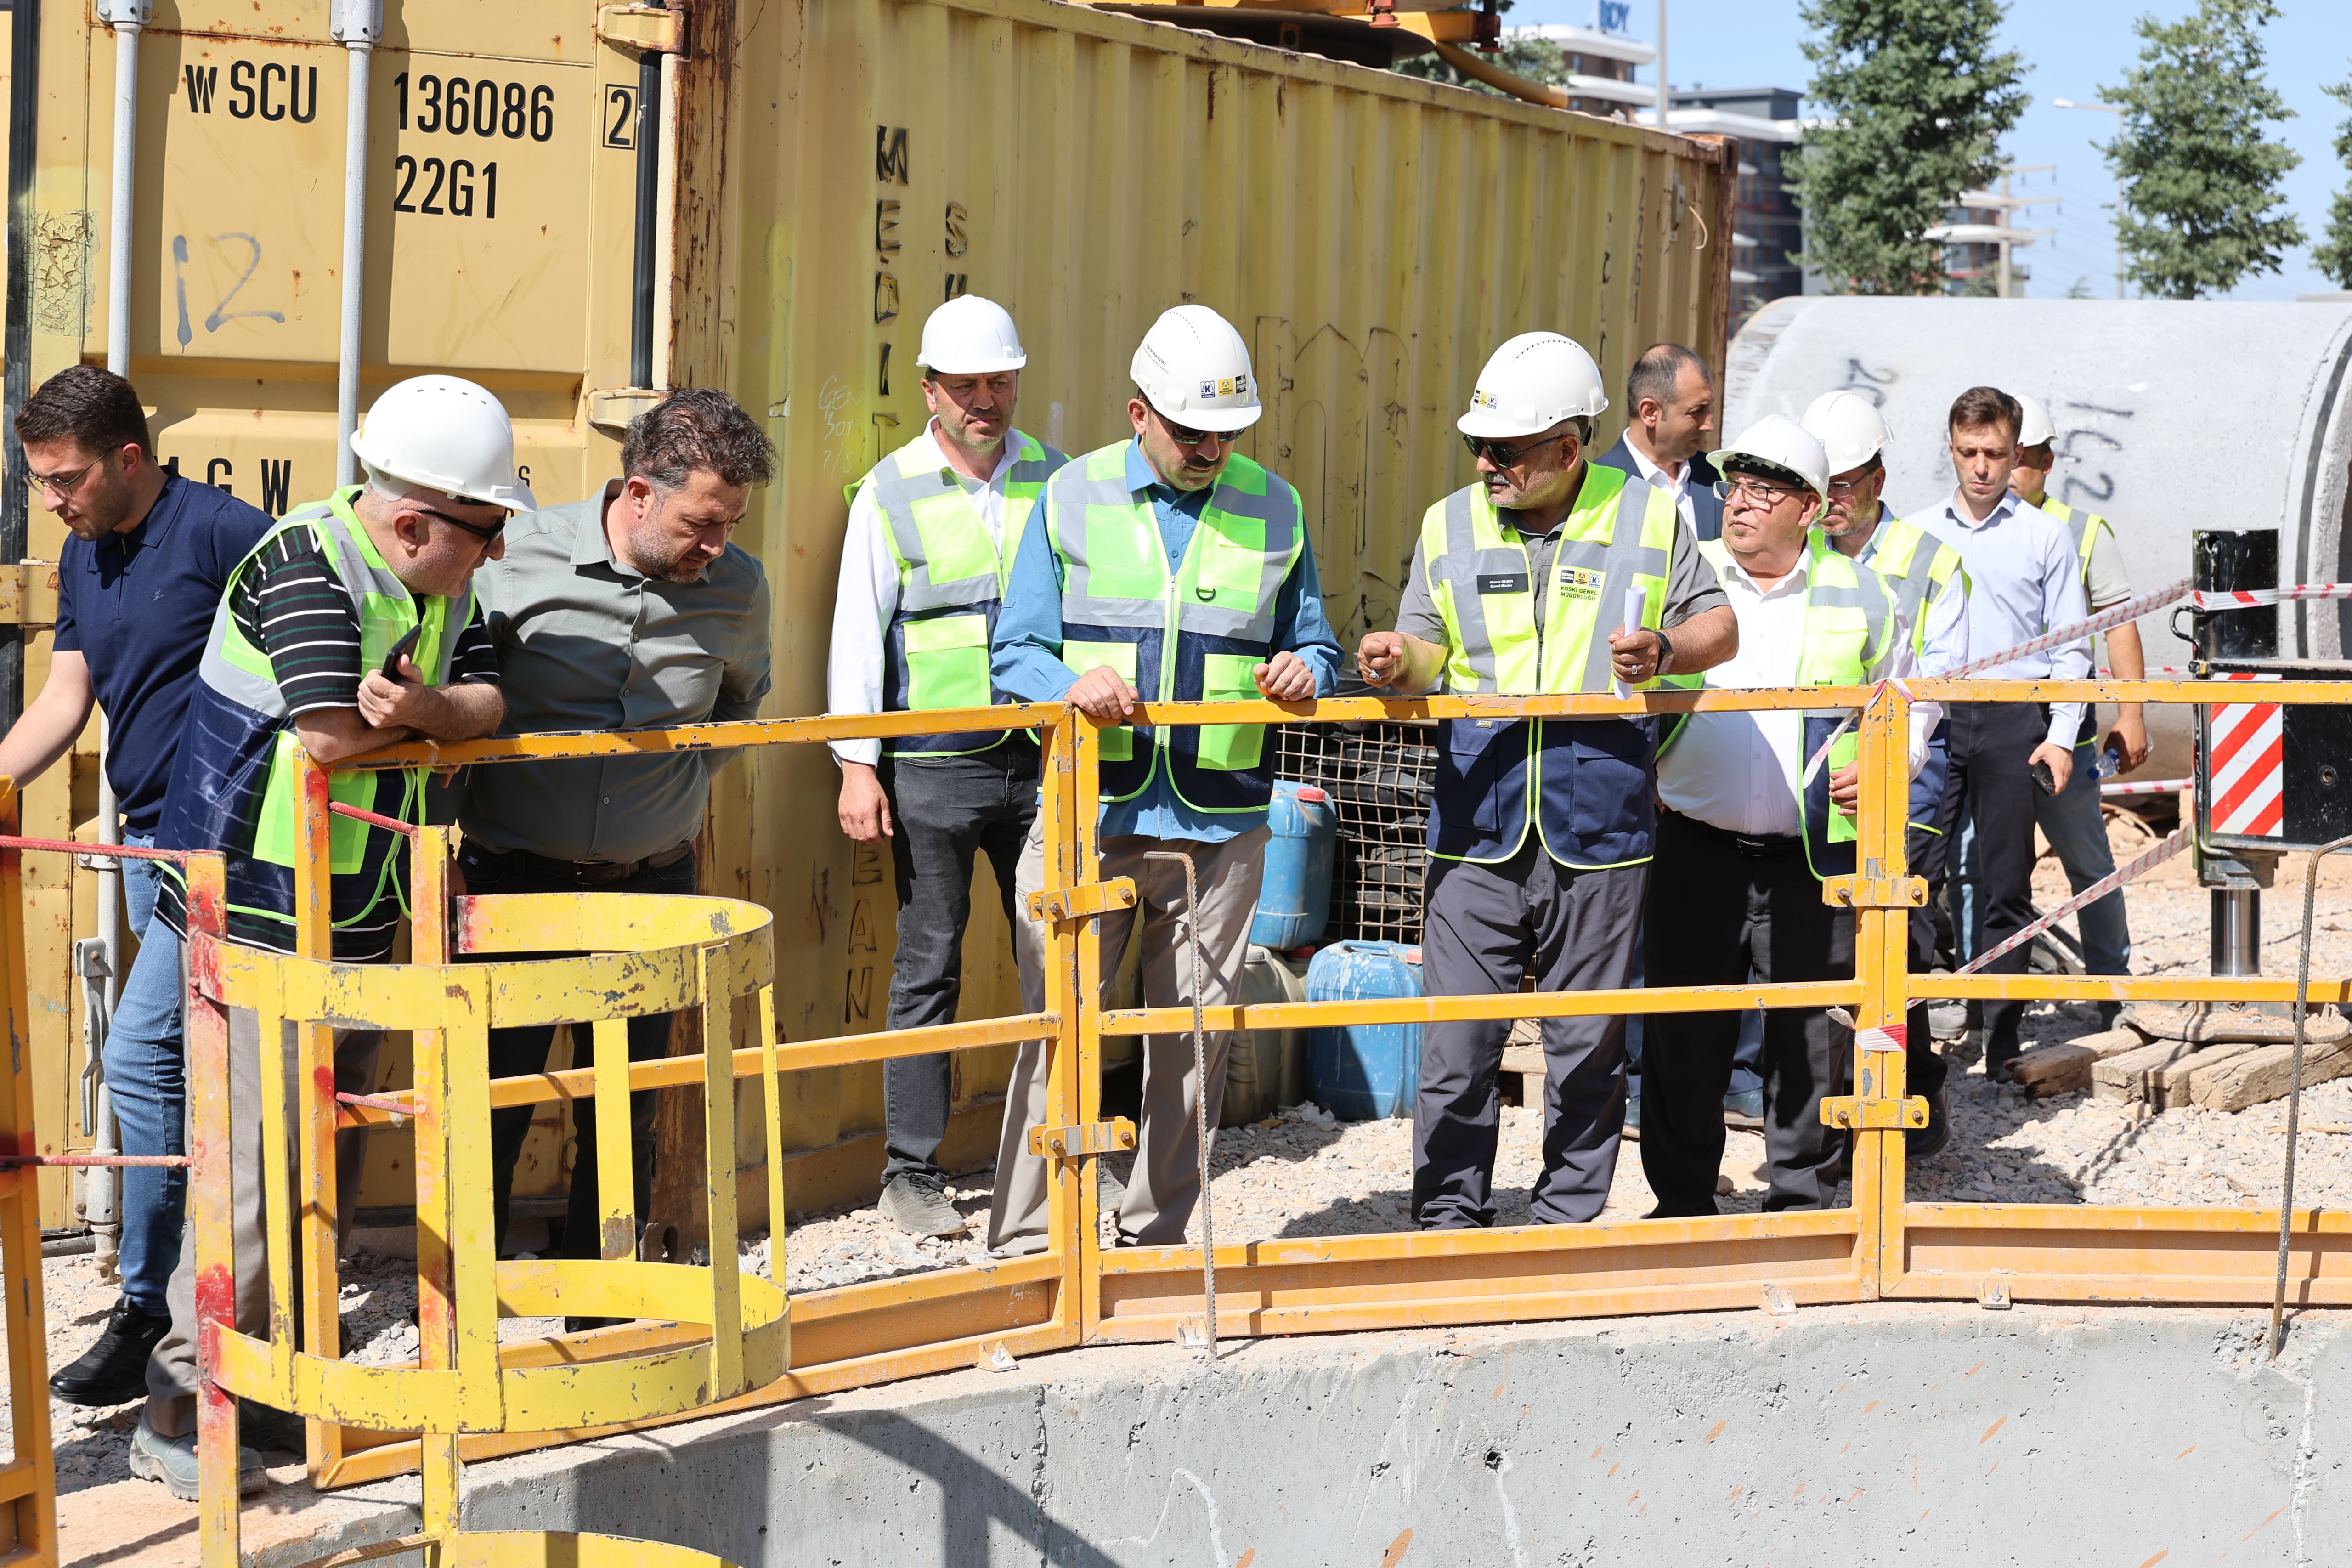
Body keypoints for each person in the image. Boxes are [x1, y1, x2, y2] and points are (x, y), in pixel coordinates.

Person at [135, 374, 520, 1497]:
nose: (494, 554)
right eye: (484, 532)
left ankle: (276, 1373)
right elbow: (330, 735)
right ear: (413, 522)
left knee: (315, 1154)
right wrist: (426, 724)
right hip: (256, 913)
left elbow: (491, 703)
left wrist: (428, 713)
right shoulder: (304, 565)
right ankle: (181, 1402)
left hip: (355, 909)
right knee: (253, 1174)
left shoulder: (435, 578)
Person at [1356, 331, 1736, 1230]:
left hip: (1598, 816)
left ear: (1568, 449)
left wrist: (1665, 648)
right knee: (1456, 1040)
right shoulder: (1449, 522)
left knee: (1586, 1040)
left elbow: (1718, 628)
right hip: (1475, 817)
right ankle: (1449, 1215)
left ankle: (1565, 1216)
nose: (1485, 464)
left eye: (1506, 449)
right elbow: (1427, 648)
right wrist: (1395, 658)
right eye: (1478, 446)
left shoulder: (1645, 517)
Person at [988, 304, 1342, 1254]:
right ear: (1138, 412)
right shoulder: (1070, 496)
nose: (1210, 451)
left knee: (1193, 1041)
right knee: (1058, 1030)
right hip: (1088, 814)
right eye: (1191, 432)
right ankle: (1029, 1239)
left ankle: (1156, 1234)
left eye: (1227, 434)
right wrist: (1070, 684)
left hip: (1221, 824)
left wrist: (1305, 669)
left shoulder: (1277, 505)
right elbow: (1015, 652)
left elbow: (1316, 641)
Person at [0, 368, 273, 1408]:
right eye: (38, 480)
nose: (51, 501)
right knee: (182, 1073)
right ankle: (195, 1290)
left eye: (65, 478)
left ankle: (158, 1303)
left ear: (128, 459)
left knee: (142, 1054)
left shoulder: (225, 533)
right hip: (151, 844)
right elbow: (65, 697)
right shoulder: (85, 550)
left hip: (227, 854)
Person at [464, 388, 774, 1279]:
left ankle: (600, 1296)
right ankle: (467, 1301)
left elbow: (740, 706)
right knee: (490, 1098)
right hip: (510, 884)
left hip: (651, 885)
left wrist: (672, 792)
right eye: (700, 523)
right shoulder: (515, 556)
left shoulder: (739, 587)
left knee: (625, 1101)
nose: (717, 545)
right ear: (639, 493)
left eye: (730, 524)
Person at [1641, 417, 1936, 1213]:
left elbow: (1912, 701)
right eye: (1735, 486)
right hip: (1694, 848)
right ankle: (1682, 1206)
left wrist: (1893, 761)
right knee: (1683, 1037)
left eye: (1763, 491)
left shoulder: (1863, 591)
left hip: (1815, 856)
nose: (1740, 503)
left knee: (1812, 1040)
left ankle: (1803, 1205)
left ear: (1809, 510)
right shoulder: (1687, 577)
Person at [828, 296, 1066, 1238]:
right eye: (964, 385)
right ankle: (910, 1175)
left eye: (998, 382)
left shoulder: (1057, 479)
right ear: (929, 390)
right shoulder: (888, 492)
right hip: (932, 766)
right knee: (928, 964)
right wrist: (857, 764)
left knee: (1060, 954)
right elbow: (859, 630)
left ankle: (1058, 1156)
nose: (984, 400)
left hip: (1046, 759)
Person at [1905, 386, 2089, 1082]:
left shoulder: (2045, 536)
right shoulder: (1917, 533)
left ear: (2016, 455)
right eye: (1969, 452)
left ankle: (2001, 1031)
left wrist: (2061, 735)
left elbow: (2072, 646)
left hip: (2014, 719)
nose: (1981, 466)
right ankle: (1908, 1035)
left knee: (2007, 881)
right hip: (1934, 716)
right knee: (1914, 879)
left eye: (1995, 453)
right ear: (1951, 449)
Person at [1803, 389, 1971, 1154]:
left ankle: (1911, 1094)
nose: (1829, 501)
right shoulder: (1798, 555)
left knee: (1900, 941)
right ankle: (1829, 1110)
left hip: (1906, 781)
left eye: (1843, 484)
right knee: (1823, 942)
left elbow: (1938, 682)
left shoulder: (1930, 562)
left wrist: (1890, 763)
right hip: (1813, 777)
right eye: (1819, 485)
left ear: (1877, 477)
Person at [1985, 391, 2144, 1027]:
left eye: (2019, 457)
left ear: (2045, 462)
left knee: (2088, 864)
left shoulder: (2082, 533)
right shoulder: (1967, 531)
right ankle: (1981, 999)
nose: (2005, 470)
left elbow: (2119, 623)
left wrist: (2130, 715)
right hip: (1987, 736)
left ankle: (2111, 988)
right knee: (1978, 872)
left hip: (2065, 737)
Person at [1591, 342, 1724, 542]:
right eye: (1697, 411)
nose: (1709, 425)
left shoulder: (1719, 477)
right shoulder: (1597, 491)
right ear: (1650, 413)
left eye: (1709, 409)